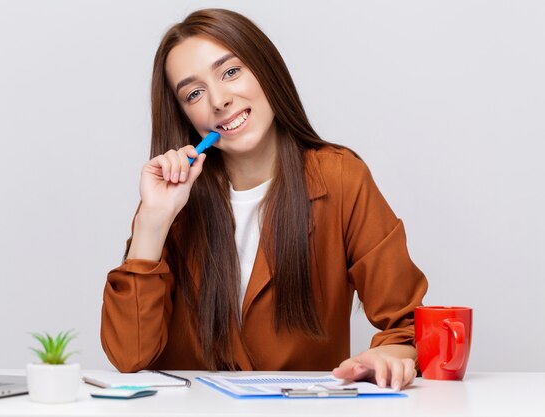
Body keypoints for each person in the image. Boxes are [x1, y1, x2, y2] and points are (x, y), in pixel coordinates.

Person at [101, 8, 428, 391]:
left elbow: (408, 326)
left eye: (231, 72)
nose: (219, 100)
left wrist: (394, 355)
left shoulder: (341, 179)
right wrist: (152, 223)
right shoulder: (174, 202)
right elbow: (129, 355)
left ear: (265, 68)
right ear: (185, 114)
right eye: (194, 93)